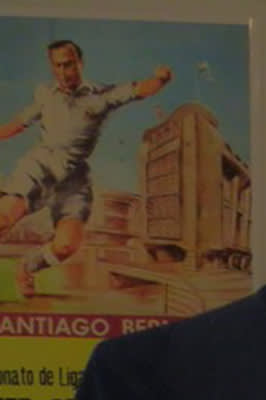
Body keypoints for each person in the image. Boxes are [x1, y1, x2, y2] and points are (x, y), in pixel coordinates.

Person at [0, 39, 172, 298]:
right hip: (39, 166)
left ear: (80, 63)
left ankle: (28, 267)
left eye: (68, 65)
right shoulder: (45, 94)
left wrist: (160, 80)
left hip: (74, 178)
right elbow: (18, 123)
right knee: (4, 216)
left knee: (66, 245)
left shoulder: (101, 96)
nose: (62, 72)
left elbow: (138, 90)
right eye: (57, 66)